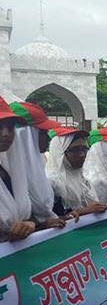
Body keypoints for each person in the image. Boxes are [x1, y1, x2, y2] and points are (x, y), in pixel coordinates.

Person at [9, 101, 65, 228]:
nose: (48, 138)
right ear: (25, 135)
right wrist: (40, 225)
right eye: (43, 133)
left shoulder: (36, 166)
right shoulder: (6, 175)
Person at [46, 127, 107, 219]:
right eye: (75, 150)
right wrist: (81, 212)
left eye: (84, 149)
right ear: (60, 153)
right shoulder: (51, 183)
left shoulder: (83, 179)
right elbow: (48, 222)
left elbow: (92, 206)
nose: (82, 155)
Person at [0, 96, 34, 241]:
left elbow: (23, 218)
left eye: (10, 127)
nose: (6, 134)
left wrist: (31, 224)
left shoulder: (8, 169)